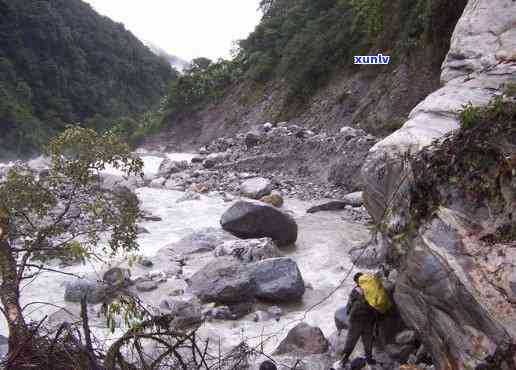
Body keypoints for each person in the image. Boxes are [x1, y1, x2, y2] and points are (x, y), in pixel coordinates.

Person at [340, 272, 377, 367]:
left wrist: (348, 313)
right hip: (368, 320)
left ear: (357, 281)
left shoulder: (355, 291)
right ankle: (369, 358)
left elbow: (349, 305)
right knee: (368, 340)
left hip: (356, 320)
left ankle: (344, 360)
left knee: (351, 340)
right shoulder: (371, 289)